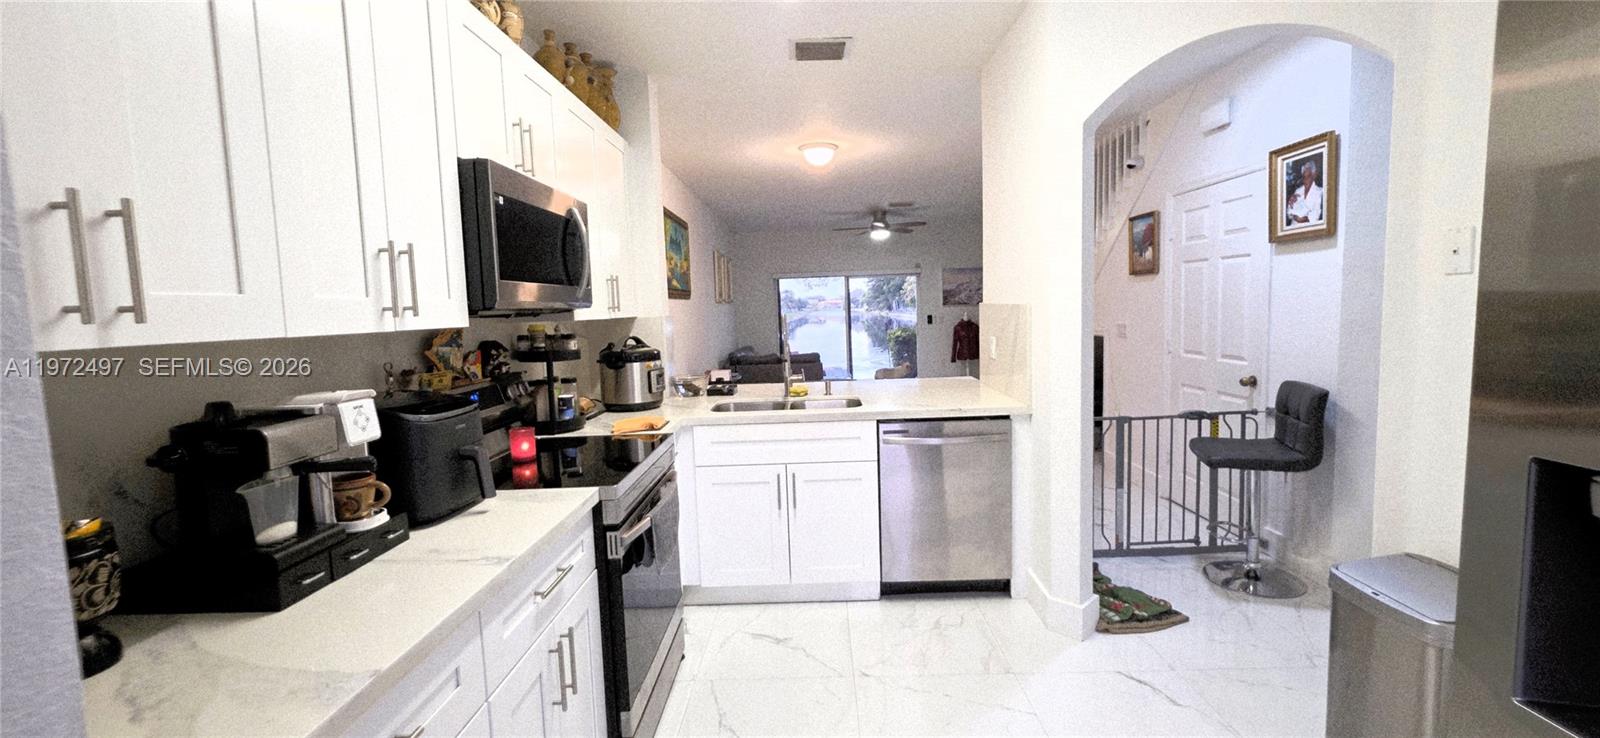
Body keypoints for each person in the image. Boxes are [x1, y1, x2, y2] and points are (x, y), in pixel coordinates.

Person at [1285, 158, 1323, 226]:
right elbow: (1289, 212)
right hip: (1293, 229)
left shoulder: (1320, 192)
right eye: (1304, 177)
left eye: (1308, 177)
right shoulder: (1298, 191)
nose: (1305, 181)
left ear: (1314, 175)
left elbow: (1317, 214)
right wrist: (1294, 215)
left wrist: (1305, 219)